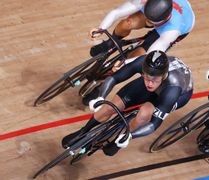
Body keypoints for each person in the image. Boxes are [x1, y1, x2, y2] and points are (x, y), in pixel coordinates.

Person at [62, 50, 193, 156]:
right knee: (110, 107)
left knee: (144, 113)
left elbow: (154, 124)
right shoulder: (142, 62)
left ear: (163, 75)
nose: (150, 83)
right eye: (147, 78)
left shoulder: (173, 88)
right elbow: (114, 78)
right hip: (160, 84)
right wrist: (101, 97)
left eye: (154, 80)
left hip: (178, 95)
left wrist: (130, 136)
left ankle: (120, 138)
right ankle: (83, 131)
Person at [89, 0, 195, 60]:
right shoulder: (143, 1)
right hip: (158, 13)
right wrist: (101, 28)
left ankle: (101, 82)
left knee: (138, 54)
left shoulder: (173, 30)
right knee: (128, 22)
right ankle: (110, 43)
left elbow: (151, 53)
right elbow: (117, 12)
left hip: (172, 27)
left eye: (151, 22)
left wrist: (125, 63)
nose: (148, 23)